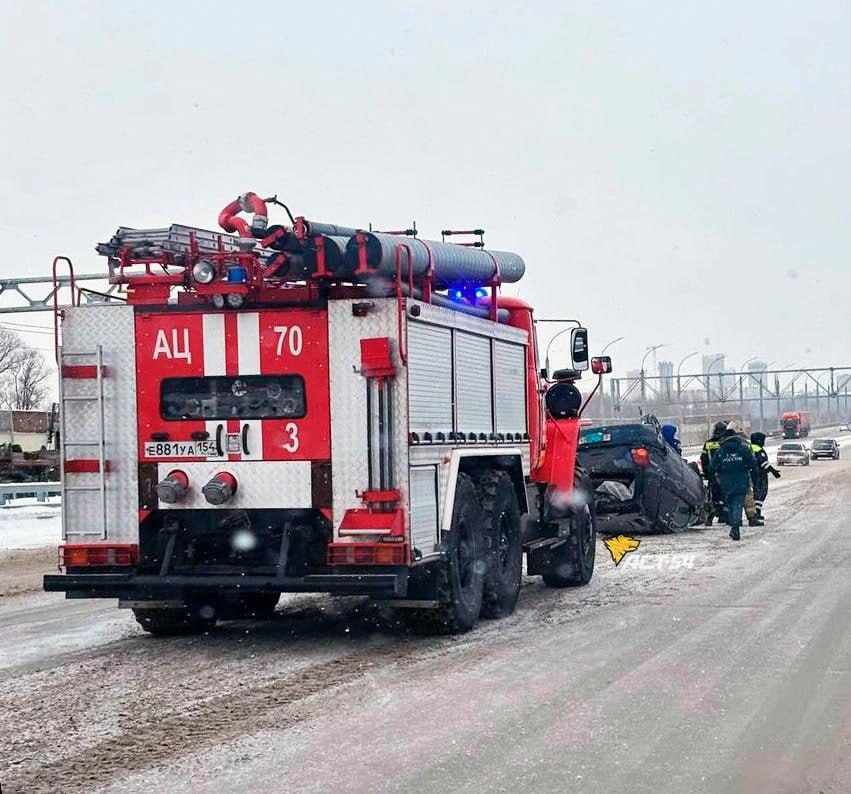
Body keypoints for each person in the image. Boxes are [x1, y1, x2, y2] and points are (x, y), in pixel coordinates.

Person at [709, 420, 756, 540]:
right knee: (738, 504)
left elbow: (712, 467)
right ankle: (735, 527)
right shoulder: (744, 449)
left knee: (731, 504)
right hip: (742, 481)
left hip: (726, 482)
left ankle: (734, 526)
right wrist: (754, 480)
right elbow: (752, 465)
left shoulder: (721, 451)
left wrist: (714, 479)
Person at [700, 421, 728, 525]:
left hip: (712, 473)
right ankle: (723, 516)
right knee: (725, 495)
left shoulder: (708, 443)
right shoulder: (725, 442)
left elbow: (703, 458)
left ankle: (711, 515)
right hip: (724, 472)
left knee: (713, 495)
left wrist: (706, 471)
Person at [750, 432, 781, 519]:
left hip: (750, 474)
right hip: (759, 475)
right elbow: (763, 463)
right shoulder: (758, 449)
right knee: (760, 493)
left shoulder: (748, 448)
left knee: (753, 494)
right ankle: (757, 513)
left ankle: (755, 512)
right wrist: (774, 471)